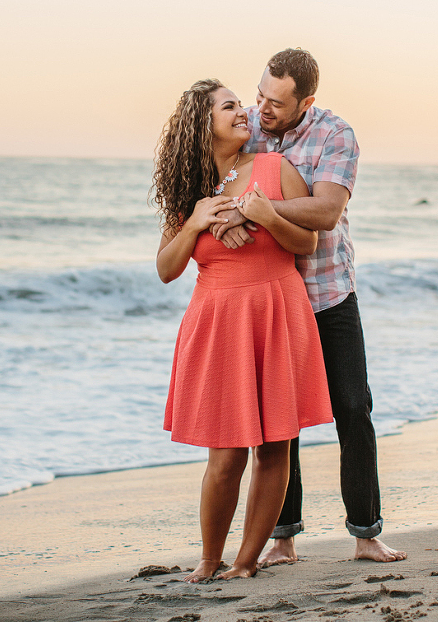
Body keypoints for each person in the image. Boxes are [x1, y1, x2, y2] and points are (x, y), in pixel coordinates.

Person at [211, 48, 406, 566]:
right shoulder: (248, 125)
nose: (262, 109)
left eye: (275, 102)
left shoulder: (335, 135)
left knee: (352, 409)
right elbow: (214, 177)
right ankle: (283, 538)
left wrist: (259, 210)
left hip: (326, 294)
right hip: (270, 298)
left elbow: (325, 209)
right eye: (259, 96)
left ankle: (366, 533)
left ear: (307, 100)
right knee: (279, 423)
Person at [153, 78, 334, 581]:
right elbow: (167, 269)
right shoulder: (187, 190)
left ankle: (247, 561)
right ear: (202, 124)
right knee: (225, 450)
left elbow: (309, 244)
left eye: (241, 104)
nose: (244, 112)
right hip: (217, 321)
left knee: (275, 446)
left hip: (276, 312)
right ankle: (209, 559)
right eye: (229, 107)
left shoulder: (276, 170)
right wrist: (195, 222)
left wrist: (265, 214)